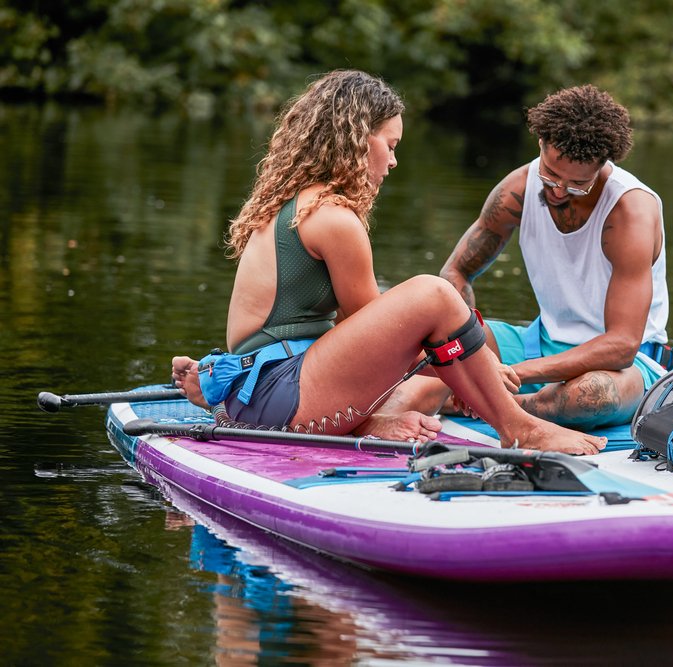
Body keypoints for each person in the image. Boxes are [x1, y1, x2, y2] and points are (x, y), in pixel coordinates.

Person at [170, 70, 605, 455]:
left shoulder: (298, 204)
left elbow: (362, 339)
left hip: (261, 396)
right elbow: (388, 346)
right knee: (433, 294)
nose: (394, 161)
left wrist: (464, 365)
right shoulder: (334, 218)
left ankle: (374, 424)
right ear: (359, 139)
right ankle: (519, 428)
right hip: (278, 397)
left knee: (440, 380)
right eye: (391, 145)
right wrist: (482, 362)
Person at [389, 84, 673, 431]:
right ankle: (480, 396)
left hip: (625, 366)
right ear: (540, 144)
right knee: (415, 347)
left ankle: (491, 402)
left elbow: (621, 345)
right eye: (551, 174)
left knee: (591, 396)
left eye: (577, 185)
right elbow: (456, 272)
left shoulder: (630, 212)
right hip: (536, 345)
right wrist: (475, 355)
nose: (559, 190)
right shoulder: (518, 187)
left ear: (604, 165)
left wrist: (499, 374)